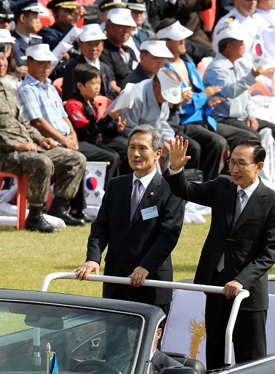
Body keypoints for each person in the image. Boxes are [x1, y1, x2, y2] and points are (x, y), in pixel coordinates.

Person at [165, 136, 275, 368]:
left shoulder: (273, 202)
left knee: (250, 359)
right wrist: (176, 168)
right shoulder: (222, 186)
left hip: (247, 293)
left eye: (242, 163)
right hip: (216, 286)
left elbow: (270, 251)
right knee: (216, 356)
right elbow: (187, 191)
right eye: (232, 162)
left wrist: (241, 281)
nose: (234, 168)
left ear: (259, 167)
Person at [0, 43, 86, 232]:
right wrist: (18, 145)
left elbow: (23, 123)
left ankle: (58, 208)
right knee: (43, 163)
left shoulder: (8, 90)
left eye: (4, 59)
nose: (1, 64)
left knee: (76, 159)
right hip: (3, 155)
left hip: (29, 147)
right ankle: (35, 216)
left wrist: (40, 139)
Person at [74, 125, 185, 312]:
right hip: (115, 281)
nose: (136, 153)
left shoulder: (171, 189)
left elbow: (168, 235)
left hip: (151, 281)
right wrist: (93, 258)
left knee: (151, 341)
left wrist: (145, 266)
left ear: (158, 154)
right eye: (132, 147)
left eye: (143, 148)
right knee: (114, 339)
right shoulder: (117, 185)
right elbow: (101, 226)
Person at [16, 44, 92, 225]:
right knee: (80, 157)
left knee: (100, 154)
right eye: (41, 62)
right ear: (29, 63)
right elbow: (37, 122)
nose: (46, 67)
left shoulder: (50, 87)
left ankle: (63, 207)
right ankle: (64, 207)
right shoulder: (27, 89)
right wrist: (64, 139)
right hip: (48, 141)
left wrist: (72, 134)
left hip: (64, 139)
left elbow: (64, 116)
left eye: (49, 63)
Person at [203, 26, 275, 161]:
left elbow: (246, 96)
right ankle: (234, 175)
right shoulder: (216, 68)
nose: (244, 46)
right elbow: (229, 91)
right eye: (241, 43)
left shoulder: (236, 66)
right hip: (225, 119)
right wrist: (252, 76)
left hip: (241, 117)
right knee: (252, 138)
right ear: (229, 47)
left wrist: (252, 115)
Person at [158, 21, 228, 181]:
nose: (184, 42)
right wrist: (205, 95)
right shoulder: (164, 68)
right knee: (213, 143)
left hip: (201, 117)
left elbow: (198, 92)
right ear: (165, 42)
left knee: (220, 142)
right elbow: (180, 105)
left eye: (183, 38)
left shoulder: (187, 61)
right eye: (178, 39)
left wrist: (208, 100)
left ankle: (208, 187)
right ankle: (194, 188)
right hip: (183, 121)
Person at [65, 63, 124, 185]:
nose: (97, 87)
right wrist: (108, 118)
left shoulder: (94, 103)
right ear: (80, 85)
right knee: (113, 157)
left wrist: (115, 129)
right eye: (93, 83)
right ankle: (108, 194)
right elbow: (86, 131)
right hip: (82, 143)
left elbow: (99, 129)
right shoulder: (73, 104)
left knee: (127, 151)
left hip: (96, 141)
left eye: (99, 83)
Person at [117, 69, 182, 172]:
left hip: (150, 136)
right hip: (121, 136)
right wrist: (155, 142)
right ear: (156, 86)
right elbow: (128, 128)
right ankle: (155, 186)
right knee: (151, 153)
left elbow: (162, 122)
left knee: (174, 152)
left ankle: (171, 183)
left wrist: (170, 141)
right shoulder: (136, 97)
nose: (167, 101)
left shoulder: (161, 94)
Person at [62, 23, 117, 101]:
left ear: (102, 45)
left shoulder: (105, 67)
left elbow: (110, 93)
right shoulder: (73, 68)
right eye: (89, 44)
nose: (93, 48)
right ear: (80, 45)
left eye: (97, 44)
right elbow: (70, 96)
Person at [100, 8, 139, 92]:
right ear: (108, 27)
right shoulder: (103, 50)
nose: (126, 30)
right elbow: (111, 85)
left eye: (129, 27)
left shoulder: (130, 51)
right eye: (121, 26)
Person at [12, 0, 43, 66]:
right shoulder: (11, 42)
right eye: (35, 17)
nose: (38, 21)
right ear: (23, 18)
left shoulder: (38, 40)